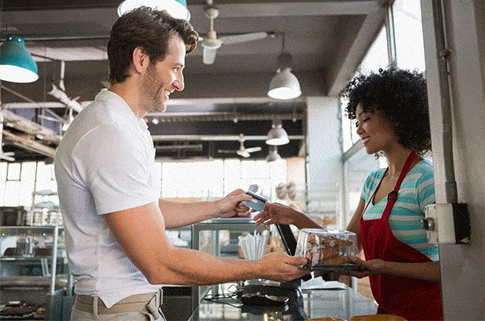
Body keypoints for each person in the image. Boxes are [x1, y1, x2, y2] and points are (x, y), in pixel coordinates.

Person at [54, 7, 309, 321]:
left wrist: (216, 207)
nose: (180, 83)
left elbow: (143, 210)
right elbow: (159, 263)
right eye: (175, 68)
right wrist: (258, 268)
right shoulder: (110, 133)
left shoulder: (124, 126)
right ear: (141, 59)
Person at [254, 66, 443, 321]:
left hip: (428, 313)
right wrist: (294, 217)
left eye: (366, 119)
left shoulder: (426, 179)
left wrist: (382, 267)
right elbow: (346, 246)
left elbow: (450, 268)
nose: (358, 130)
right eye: (357, 122)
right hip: (387, 313)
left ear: (397, 116)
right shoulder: (373, 182)